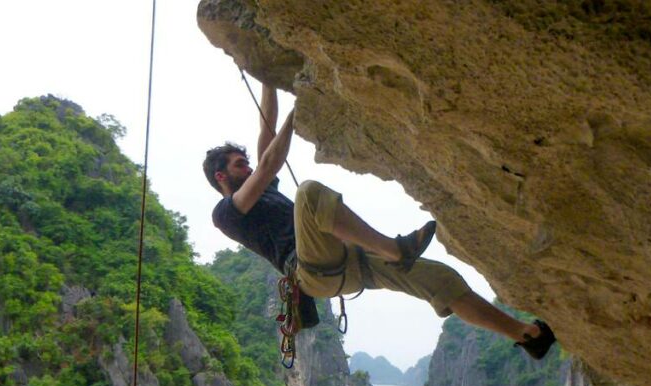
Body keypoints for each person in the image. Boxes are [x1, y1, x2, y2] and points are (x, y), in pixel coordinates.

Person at [203, 85, 556, 360]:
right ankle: (395, 248)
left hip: (351, 260)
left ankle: (526, 336)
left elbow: (266, 138)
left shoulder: (261, 188)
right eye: (238, 165)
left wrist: (267, 81)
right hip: (311, 271)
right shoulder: (226, 213)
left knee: (441, 280)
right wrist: (300, 108)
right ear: (221, 176)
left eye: (246, 163)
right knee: (309, 194)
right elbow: (269, 163)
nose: (247, 168)